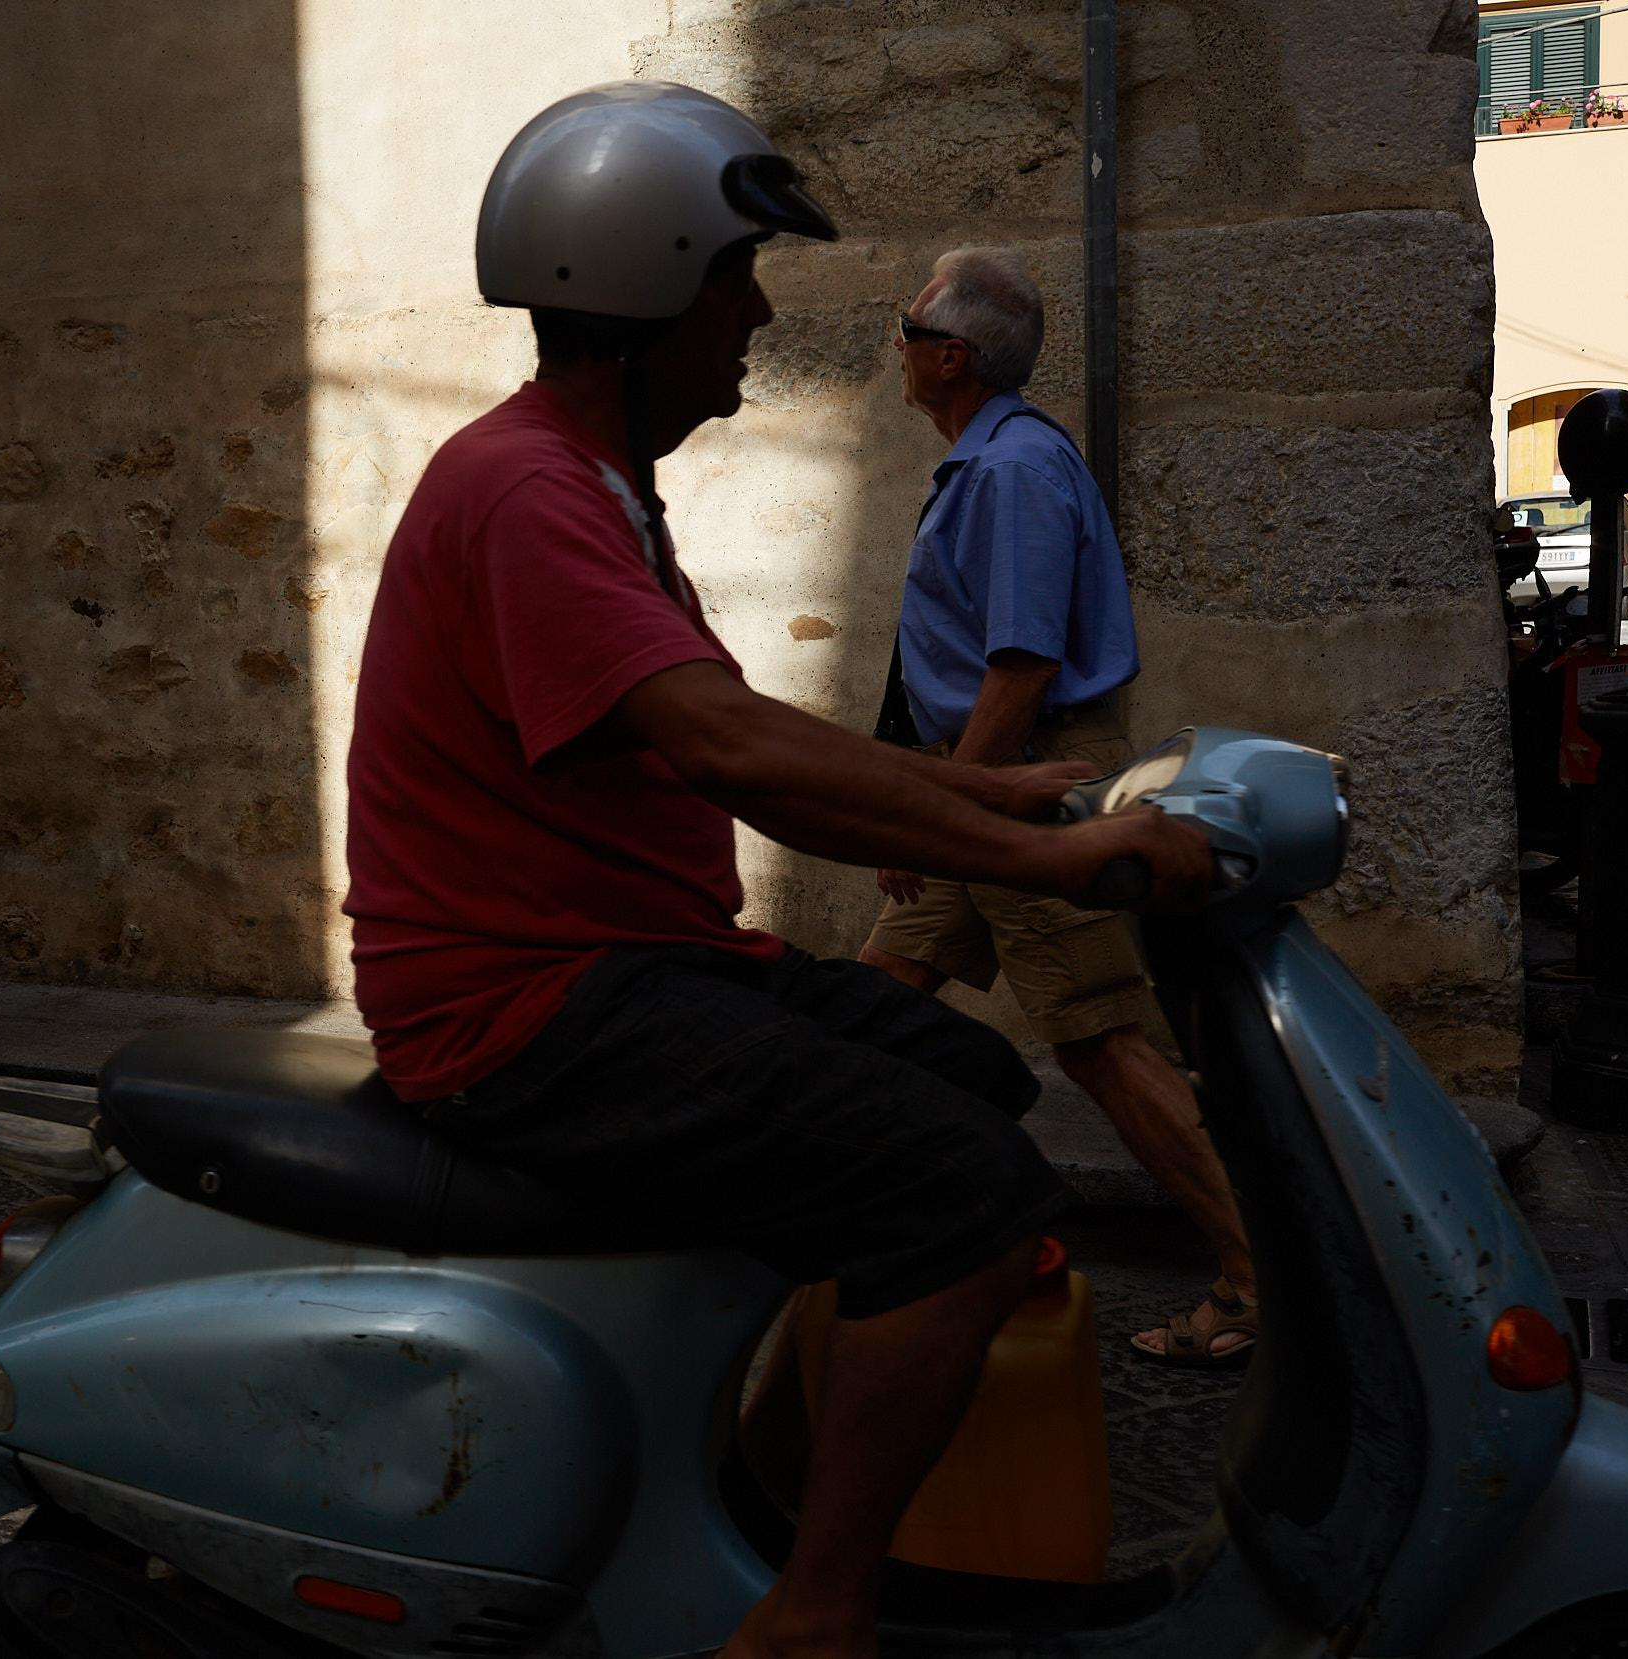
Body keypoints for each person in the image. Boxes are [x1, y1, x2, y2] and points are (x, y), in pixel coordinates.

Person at [341, 84, 1210, 1659]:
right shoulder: (533, 491)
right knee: (963, 1189)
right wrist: (1051, 847)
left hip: (627, 960)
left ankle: (765, 1499)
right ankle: (812, 1610)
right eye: (735, 277)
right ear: (645, 286)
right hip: (527, 1003)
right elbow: (735, 753)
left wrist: (983, 790)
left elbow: (741, 733)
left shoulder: (595, 485)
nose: (755, 313)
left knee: (969, 1077)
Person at [860, 247, 1259, 1367]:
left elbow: (1021, 669)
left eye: (905, 329)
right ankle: (862, 1231)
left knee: (1099, 1038)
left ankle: (1260, 1272)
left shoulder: (1011, 473)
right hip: (985, 769)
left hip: (1024, 774)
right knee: (876, 1003)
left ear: (949, 357)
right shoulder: (987, 464)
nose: (892, 348)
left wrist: (936, 808)